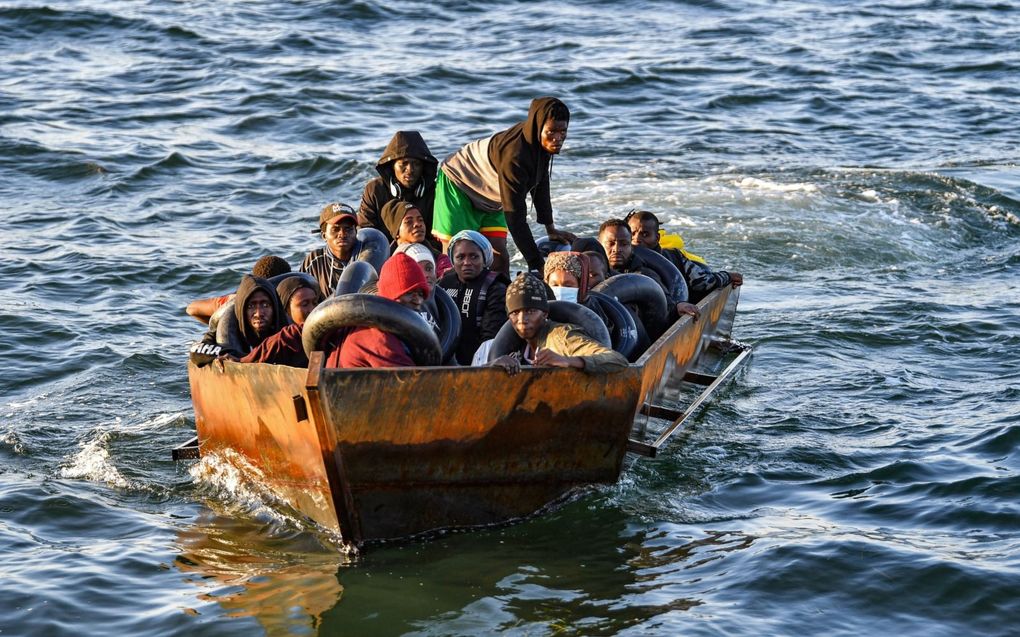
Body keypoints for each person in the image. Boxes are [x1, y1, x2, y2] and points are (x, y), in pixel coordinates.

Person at [432, 97, 576, 275]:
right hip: (458, 183)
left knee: (499, 258)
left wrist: (550, 228)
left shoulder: (540, 144)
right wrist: (537, 264)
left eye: (563, 131)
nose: (558, 138)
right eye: (551, 132)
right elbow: (515, 218)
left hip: (490, 192)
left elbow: (541, 182)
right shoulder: (515, 156)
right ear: (538, 128)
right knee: (458, 256)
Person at [490, 274, 628, 375]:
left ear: (544, 313)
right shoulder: (512, 347)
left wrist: (567, 361)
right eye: (515, 313)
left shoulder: (562, 336)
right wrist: (492, 366)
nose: (522, 319)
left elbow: (617, 360)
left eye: (530, 311)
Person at [327, 253, 430, 368]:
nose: (418, 301)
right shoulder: (379, 338)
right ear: (392, 294)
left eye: (420, 294)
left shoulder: (382, 328)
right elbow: (411, 382)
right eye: (410, 293)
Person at [626, 210, 743, 303]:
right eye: (632, 234)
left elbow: (702, 282)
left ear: (657, 238)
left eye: (645, 234)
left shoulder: (674, 256)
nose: (637, 239)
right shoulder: (618, 261)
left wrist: (726, 276)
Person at [598, 219, 699, 319]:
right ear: (599, 244)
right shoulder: (591, 270)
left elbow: (663, 298)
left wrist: (678, 306)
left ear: (631, 246)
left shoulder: (644, 275)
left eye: (624, 244)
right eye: (610, 243)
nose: (617, 249)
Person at [438, 230, 510, 365]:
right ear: (452, 260)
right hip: (445, 358)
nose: (467, 262)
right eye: (460, 257)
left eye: (474, 256)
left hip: (482, 360)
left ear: (484, 259)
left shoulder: (496, 288)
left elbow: (492, 335)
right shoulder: (443, 283)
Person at [358, 131, 439, 243]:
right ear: (392, 166)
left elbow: (438, 237)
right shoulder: (374, 189)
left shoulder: (434, 192)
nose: (410, 169)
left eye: (416, 164)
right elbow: (365, 233)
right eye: (403, 163)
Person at [239, 277, 322, 368]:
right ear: (286, 310)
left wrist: (244, 360)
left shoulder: (291, 340)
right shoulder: (233, 343)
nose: (259, 314)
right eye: (251, 306)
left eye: (265, 305)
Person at [185, 255, 291, 324]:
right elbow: (192, 309)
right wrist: (225, 323)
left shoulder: (240, 301)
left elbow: (192, 309)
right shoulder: (239, 301)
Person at [301, 202, 362, 296]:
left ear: (356, 232)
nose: (343, 234)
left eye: (348, 229)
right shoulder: (314, 261)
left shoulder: (367, 253)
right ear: (324, 235)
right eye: (335, 229)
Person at [380, 200, 452, 278]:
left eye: (420, 220)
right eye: (409, 222)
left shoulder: (440, 260)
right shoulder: (383, 263)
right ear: (396, 232)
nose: (418, 224)